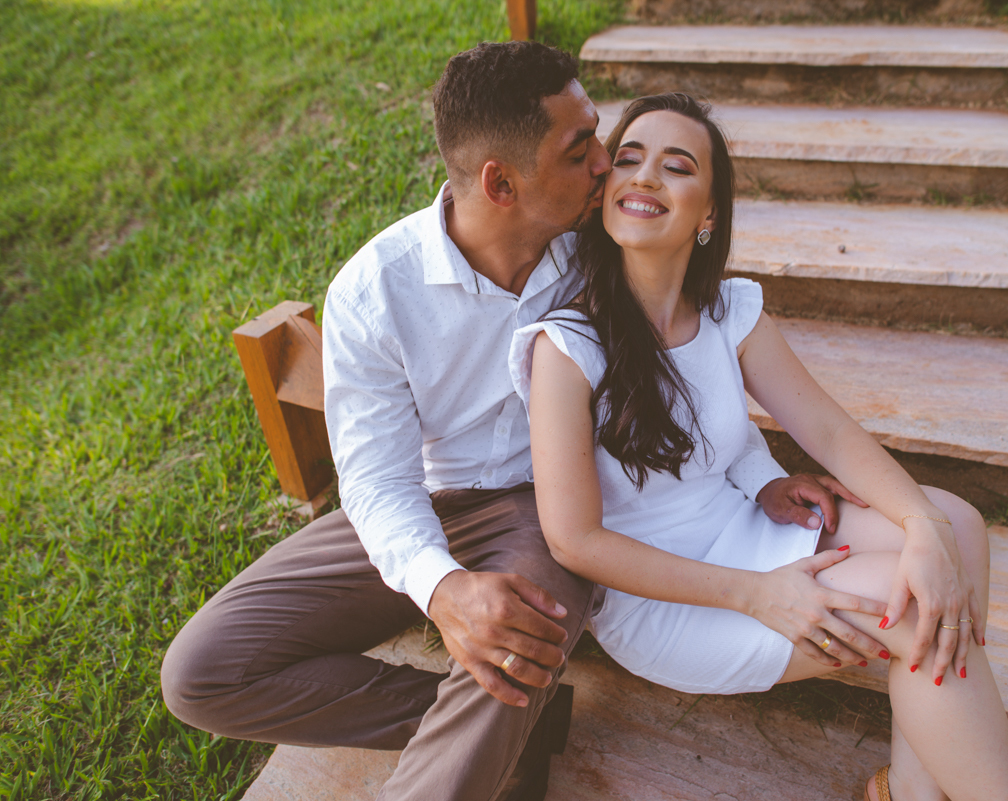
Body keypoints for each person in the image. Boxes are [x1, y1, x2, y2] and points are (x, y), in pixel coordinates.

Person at [160, 44, 862, 801]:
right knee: (201, 674)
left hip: (550, 512)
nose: (607, 165)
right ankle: (507, 725)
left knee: (513, 646)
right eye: (579, 150)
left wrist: (758, 475)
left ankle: (481, 740)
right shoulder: (376, 292)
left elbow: (697, 364)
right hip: (424, 502)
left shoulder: (605, 245)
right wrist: (442, 588)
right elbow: (377, 483)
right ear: (501, 183)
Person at [511, 93, 1008, 801]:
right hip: (669, 597)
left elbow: (829, 431)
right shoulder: (568, 345)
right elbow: (574, 541)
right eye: (628, 159)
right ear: (605, 191)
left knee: (957, 527)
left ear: (709, 214)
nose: (644, 177)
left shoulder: (728, 312)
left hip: (744, 528)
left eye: (677, 166)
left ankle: (910, 789)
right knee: (910, 608)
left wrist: (919, 522)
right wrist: (758, 594)